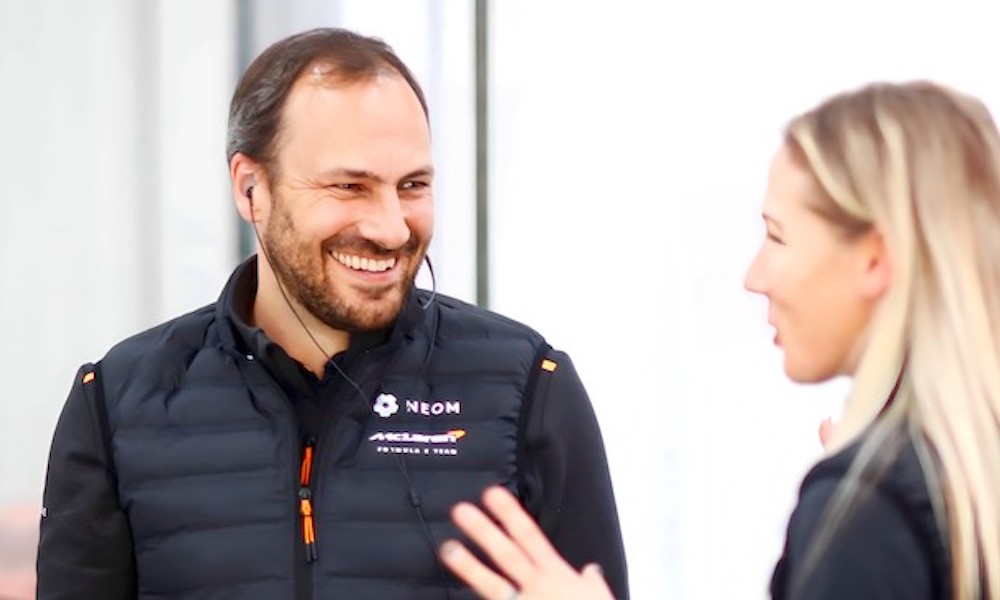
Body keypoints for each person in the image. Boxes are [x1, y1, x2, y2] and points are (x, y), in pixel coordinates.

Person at [35, 27, 628, 599]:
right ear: (250, 188)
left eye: (413, 185)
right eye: (349, 187)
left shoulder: (528, 389)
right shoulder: (117, 403)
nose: (391, 229)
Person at [439, 80, 1000, 599]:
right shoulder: (946, 484)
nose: (754, 277)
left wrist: (860, 512)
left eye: (777, 237)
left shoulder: (873, 509)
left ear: (875, 258)